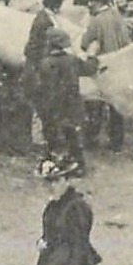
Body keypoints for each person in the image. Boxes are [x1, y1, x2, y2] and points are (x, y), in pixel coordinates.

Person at [34, 27, 91, 176]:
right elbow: (88, 68)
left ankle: (55, 163)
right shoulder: (72, 60)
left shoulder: (46, 64)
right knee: (72, 135)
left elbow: (43, 88)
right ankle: (79, 164)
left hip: (54, 106)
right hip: (73, 105)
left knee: (52, 136)